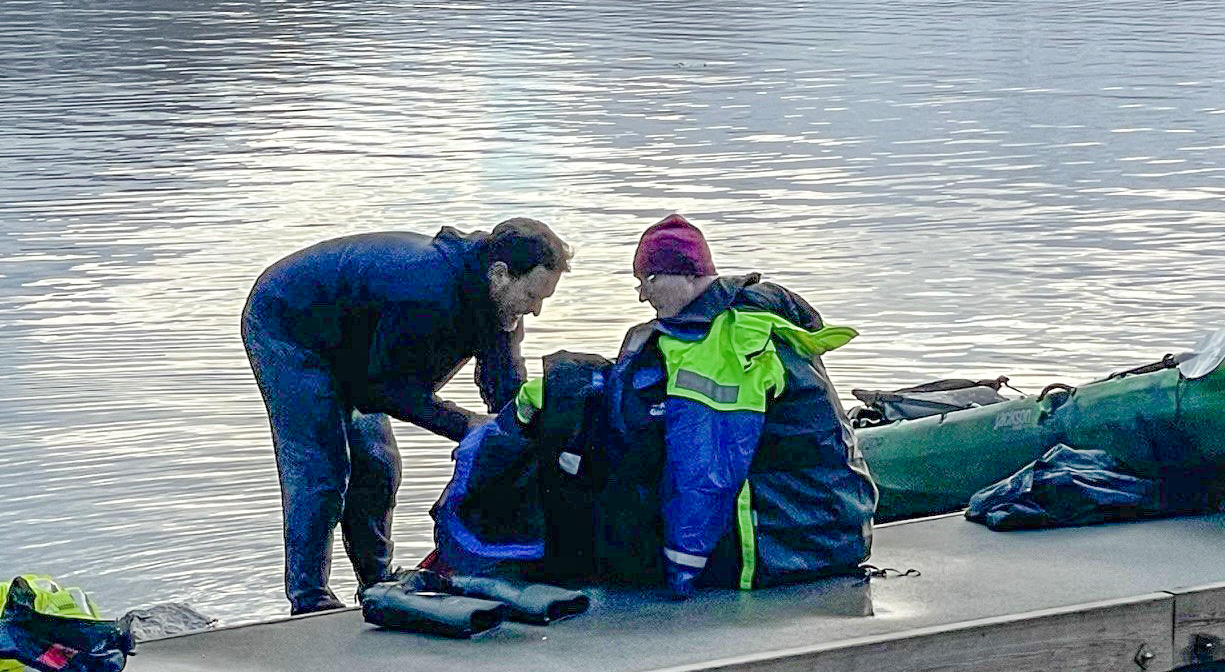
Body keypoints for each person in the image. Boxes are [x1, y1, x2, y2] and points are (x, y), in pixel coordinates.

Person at [242, 219, 570, 614]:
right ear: (500, 275)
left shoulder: (498, 304)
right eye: (532, 295)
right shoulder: (426, 292)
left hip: (356, 339)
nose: (534, 310)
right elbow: (387, 390)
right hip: (288, 323)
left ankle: (376, 581)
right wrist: (464, 425)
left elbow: (502, 383)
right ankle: (310, 598)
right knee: (321, 470)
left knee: (379, 466)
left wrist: (523, 434)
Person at [598, 214, 877, 595]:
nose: (643, 295)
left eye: (648, 280)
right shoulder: (758, 315)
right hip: (836, 527)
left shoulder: (724, 344)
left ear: (686, 274)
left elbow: (707, 474)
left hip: (790, 545)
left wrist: (679, 571)